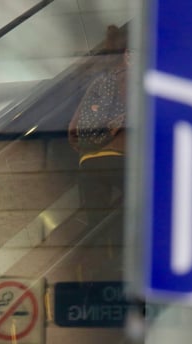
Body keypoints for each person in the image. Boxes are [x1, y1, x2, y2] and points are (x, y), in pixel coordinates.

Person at [68, 24, 129, 225]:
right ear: (127, 54)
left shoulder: (98, 82)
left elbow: (73, 130)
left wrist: (91, 144)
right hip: (118, 159)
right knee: (145, 205)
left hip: (88, 163)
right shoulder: (132, 80)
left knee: (98, 228)